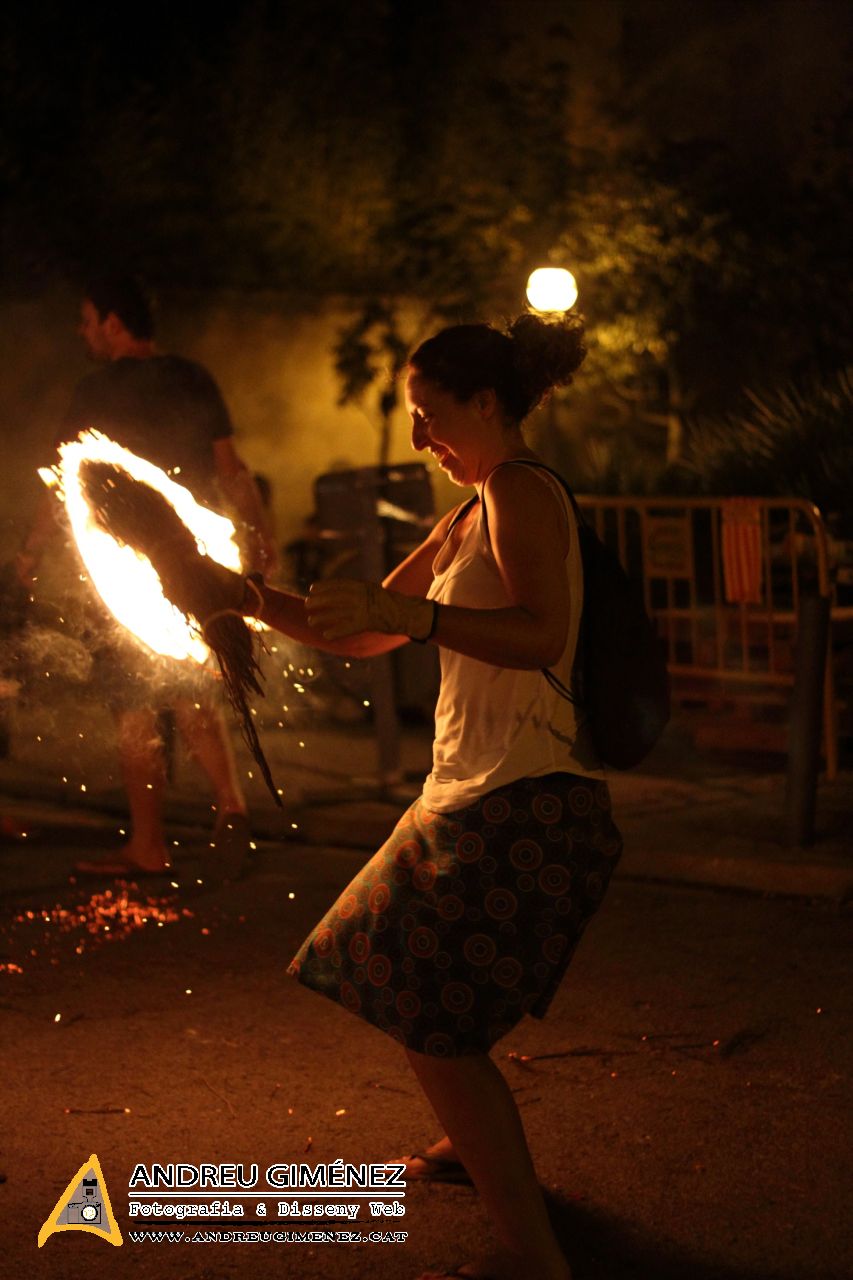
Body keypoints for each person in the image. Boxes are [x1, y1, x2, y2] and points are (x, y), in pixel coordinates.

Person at [171, 314, 622, 1280]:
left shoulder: (522, 492)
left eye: (430, 415)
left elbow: (542, 634)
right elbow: (360, 633)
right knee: (397, 972)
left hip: (526, 802)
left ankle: (537, 1258)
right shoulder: (465, 512)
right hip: (466, 792)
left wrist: (410, 614)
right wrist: (243, 596)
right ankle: (478, 1140)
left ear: (488, 404)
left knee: (426, 1011)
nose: (419, 437)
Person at [16, 274, 277, 878]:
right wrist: (261, 536)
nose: (82, 332)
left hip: (125, 573)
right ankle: (231, 803)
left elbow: (65, 484)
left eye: (87, 320)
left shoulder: (95, 390)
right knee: (190, 688)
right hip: (190, 565)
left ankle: (148, 844)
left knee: (134, 704)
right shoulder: (193, 378)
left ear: (113, 322)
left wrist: (30, 554)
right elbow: (232, 470)